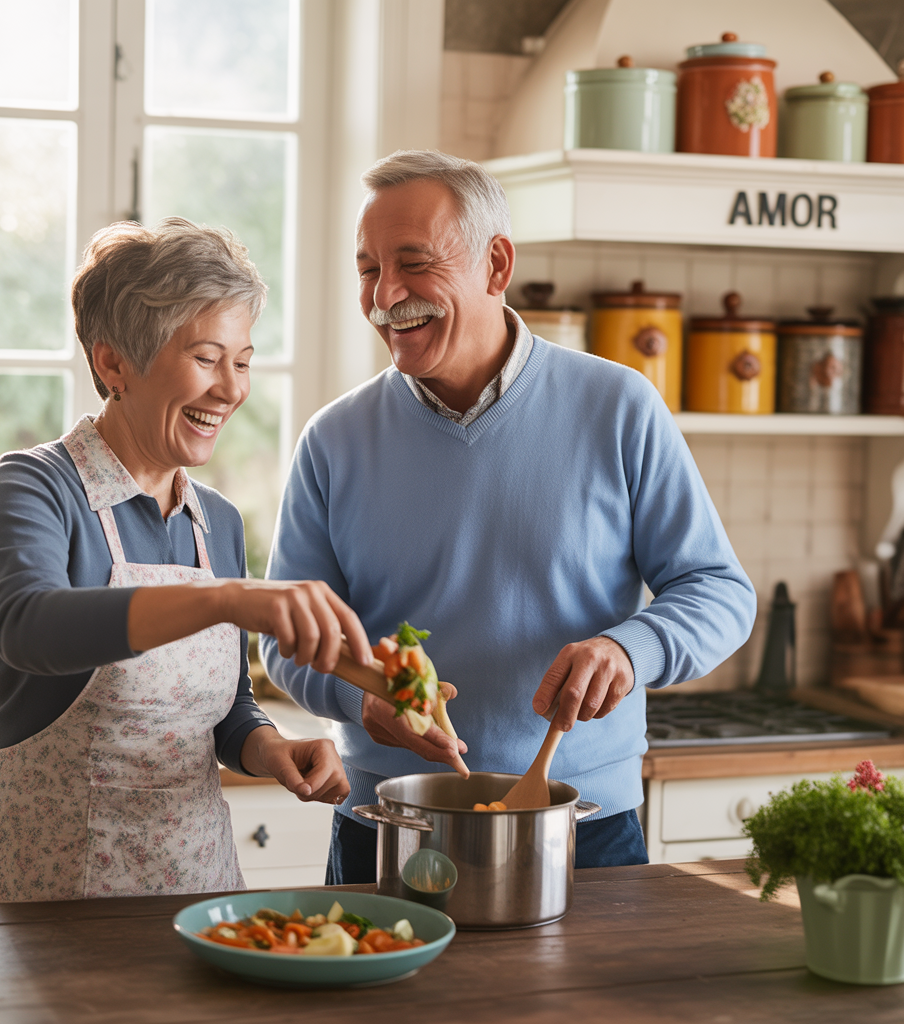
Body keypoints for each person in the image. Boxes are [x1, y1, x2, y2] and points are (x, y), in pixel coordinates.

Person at [260, 150, 756, 883]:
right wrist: (360, 696)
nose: (385, 295)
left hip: (585, 824)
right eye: (368, 269)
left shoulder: (618, 408)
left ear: (496, 266)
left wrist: (630, 650)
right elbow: (286, 642)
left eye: (413, 263)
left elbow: (720, 591)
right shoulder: (333, 440)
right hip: (389, 826)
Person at [0, 217, 372, 903]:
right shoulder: (34, 486)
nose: (232, 389)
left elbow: (228, 709)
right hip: (51, 896)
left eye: (242, 361)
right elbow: (27, 628)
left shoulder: (217, 520)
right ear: (113, 363)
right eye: (208, 358)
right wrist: (226, 599)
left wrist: (275, 749)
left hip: (197, 891)